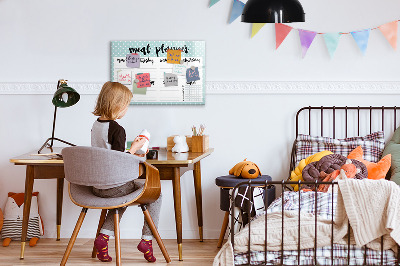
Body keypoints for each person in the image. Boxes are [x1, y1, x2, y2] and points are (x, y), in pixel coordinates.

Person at [91, 81, 161, 263]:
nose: (126, 109)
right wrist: (135, 149)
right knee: (156, 194)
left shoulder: (96, 125)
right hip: (114, 186)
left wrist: (130, 150)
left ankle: (103, 238)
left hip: (97, 186)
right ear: (117, 105)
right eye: (126, 105)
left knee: (122, 198)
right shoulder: (117, 129)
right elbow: (118, 161)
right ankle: (147, 240)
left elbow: (108, 154)